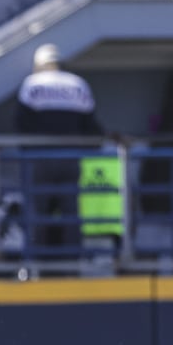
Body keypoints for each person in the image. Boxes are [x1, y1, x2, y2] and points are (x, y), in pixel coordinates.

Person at [12, 43, 103, 251]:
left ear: (39, 64)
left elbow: (21, 124)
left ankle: (35, 264)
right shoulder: (78, 84)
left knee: (37, 213)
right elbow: (92, 128)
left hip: (39, 160)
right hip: (70, 159)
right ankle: (72, 264)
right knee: (71, 213)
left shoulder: (32, 84)